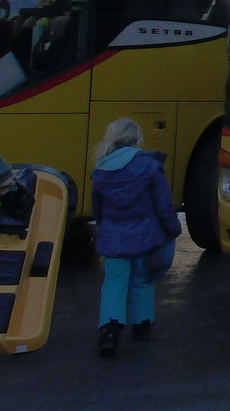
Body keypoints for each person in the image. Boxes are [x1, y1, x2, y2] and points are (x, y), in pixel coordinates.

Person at [91, 118, 181, 357]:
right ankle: (142, 325)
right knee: (142, 280)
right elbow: (163, 205)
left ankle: (109, 331)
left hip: (113, 239)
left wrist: (104, 229)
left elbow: (97, 209)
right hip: (145, 238)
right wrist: (173, 230)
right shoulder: (149, 166)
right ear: (138, 138)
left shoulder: (102, 168)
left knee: (114, 283)